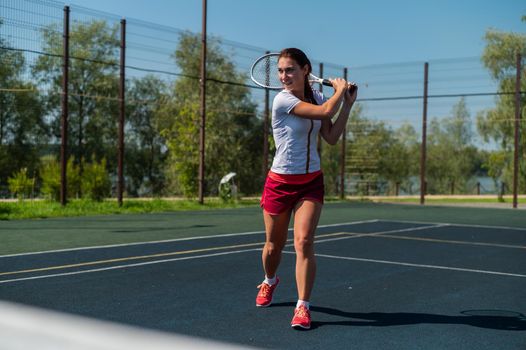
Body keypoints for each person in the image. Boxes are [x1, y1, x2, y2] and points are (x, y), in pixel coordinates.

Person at [256, 48, 357, 329]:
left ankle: (303, 306)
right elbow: (325, 110)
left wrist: (346, 104)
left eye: (290, 70)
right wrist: (338, 90)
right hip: (280, 183)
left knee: (304, 242)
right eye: (280, 71)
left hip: (311, 182)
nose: (284, 76)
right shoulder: (282, 100)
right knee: (273, 247)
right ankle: (269, 280)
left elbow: (332, 137)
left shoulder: (318, 96)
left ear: (305, 70)